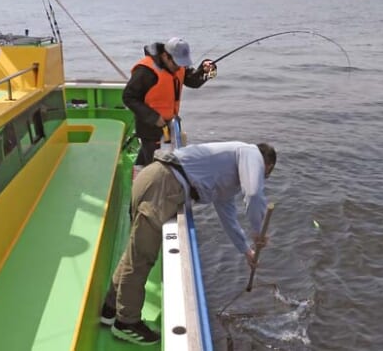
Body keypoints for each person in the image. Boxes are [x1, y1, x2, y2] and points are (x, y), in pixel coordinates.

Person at [101, 141, 277, 345]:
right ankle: (126, 323)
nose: (263, 177)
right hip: (162, 185)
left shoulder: (229, 175)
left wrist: (247, 251)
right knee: (141, 258)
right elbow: (254, 193)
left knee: (134, 254)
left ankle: (110, 309)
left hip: (159, 183)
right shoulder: (251, 152)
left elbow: (228, 217)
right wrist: (258, 231)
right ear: (268, 164)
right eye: (266, 174)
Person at [123, 37, 216, 167]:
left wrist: (209, 70)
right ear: (166, 56)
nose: (179, 68)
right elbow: (128, 97)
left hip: (169, 125)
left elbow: (194, 82)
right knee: (157, 168)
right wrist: (153, 117)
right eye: (176, 64)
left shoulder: (178, 67)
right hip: (150, 128)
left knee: (152, 160)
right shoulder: (146, 71)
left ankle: (137, 175)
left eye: (182, 64)